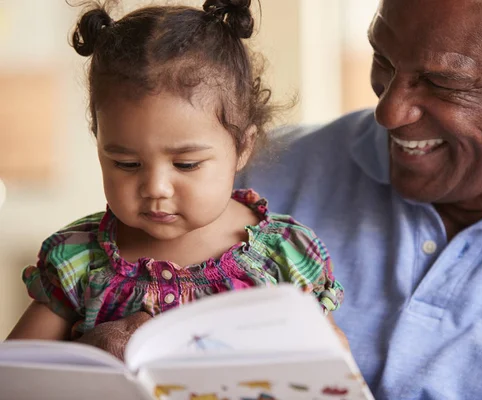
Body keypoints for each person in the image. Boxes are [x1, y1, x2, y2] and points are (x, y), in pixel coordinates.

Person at [40, 0, 482, 398]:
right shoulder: (242, 178)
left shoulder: (278, 244)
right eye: (383, 61)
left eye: (442, 82)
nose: (389, 111)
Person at [6, 0, 344, 349]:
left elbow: (335, 366)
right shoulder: (79, 262)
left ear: (243, 147)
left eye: (185, 165)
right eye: (126, 164)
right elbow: (19, 374)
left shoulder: (284, 257)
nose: (155, 188)